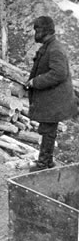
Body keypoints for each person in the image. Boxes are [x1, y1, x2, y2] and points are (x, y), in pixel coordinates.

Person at [25, 16, 78, 172]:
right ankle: (46, 161)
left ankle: (43, 164)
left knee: (48, 131)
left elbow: (59, 73)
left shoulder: (55, 49)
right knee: (48, 130)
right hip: (52, 99)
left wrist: (36, 82)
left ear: (45, 31)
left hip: (55, 100)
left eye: (37, 30)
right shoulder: (49, 46)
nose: (35, 33)